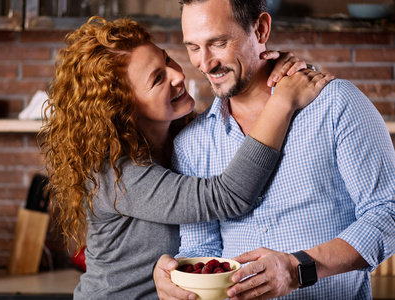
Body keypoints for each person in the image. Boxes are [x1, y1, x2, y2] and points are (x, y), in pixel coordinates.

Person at [39, 16, 333, 300]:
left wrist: (284, 72)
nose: (179, 75)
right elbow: (227, 196)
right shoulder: (115, 175)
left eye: (166, 60)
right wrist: (283, 101)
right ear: (123, 109)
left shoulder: (183, 136)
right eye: (157, 79)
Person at [153, 0, 395, 299]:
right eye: (193, 47)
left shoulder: (337, 105)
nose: (204, 63)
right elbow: (201, 249)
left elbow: (387, 212)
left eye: (218, 43)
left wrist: (299, 268)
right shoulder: (191, 144)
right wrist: (179, 280)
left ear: (261, 28)